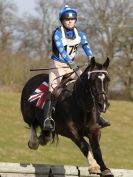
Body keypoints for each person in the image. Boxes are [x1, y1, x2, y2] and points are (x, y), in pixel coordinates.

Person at [43, 5, 110, 131]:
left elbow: (86, 46)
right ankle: (48, 119)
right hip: (58, 65)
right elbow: (62, 51)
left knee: (87, 85)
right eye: (66, 19)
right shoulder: (57, 34)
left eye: (72, 19)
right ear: (62, 21)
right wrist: (70, 63)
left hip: (72, 66)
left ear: (75, 20)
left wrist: (91, 58)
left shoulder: (80, 34)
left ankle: (98, 116)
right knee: (52, 90)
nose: (69, 21)